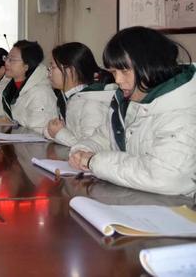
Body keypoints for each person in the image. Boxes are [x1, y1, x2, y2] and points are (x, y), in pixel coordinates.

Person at [69, 27, 196, 197]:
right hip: (141, 201)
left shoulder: (182, 111)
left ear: (152, 65)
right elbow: (105, 136)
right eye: (114, 72)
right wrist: (82, 150)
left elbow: (167, 177)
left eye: (125, 71)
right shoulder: (129, 100)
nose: (118, 80)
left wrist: (94, 161)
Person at [44, 42, 116, 147]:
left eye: (53, 67)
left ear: (70, 70)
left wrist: (59, 133)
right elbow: (53, 131)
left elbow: (91, 148)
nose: (48, 73)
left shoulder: (92, 103)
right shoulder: (65, 98)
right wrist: (53, 131)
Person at [0, 40, 57, 132]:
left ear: (26, 66)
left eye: (12, 60)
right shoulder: (12, 88)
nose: (6, 63)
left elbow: (38, 131)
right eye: (6, 58)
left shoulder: (40, 93)